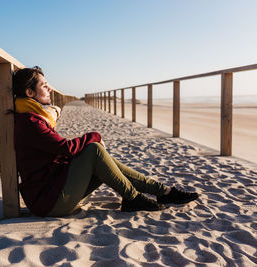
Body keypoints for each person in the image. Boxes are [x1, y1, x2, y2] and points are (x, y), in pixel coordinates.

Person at [13, 66, 199, 217]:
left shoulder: (33, 117)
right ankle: (134, 198)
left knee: (99, 157)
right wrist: (94, 136)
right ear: (29, 92)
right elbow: (65, 148)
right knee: (93, 149)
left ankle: (162, 192)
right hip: (49, 202)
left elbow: (58, 152)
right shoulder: (30, 122)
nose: (50, 89)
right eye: (44, 85)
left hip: (53, 190)